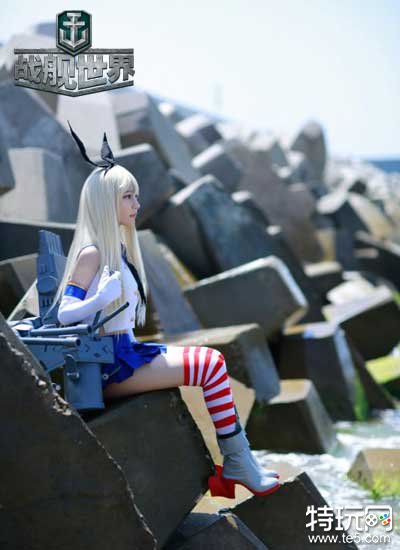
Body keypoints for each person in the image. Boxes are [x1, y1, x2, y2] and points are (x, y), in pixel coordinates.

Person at [54, 122, 281, 499]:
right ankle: (238, 462)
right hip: (109, 365)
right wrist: (100, 298)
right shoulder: (92, 254)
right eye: (128, 197)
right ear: (106, 202)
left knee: (212, 360)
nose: (136, 205)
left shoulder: (117, 252)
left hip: (126, 353)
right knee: (209, 366)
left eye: (136, 196)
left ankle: (242, 460)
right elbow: (65, 312)